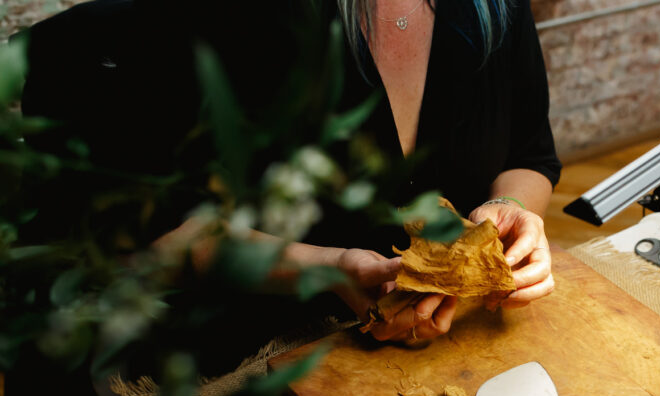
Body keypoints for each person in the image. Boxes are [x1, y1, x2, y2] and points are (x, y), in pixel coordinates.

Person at [22, 0, 561, 346]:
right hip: (257, 357)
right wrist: (327, 269)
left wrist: (510, 217)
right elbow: (155, 242)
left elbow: (529, 154)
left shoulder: (495, 9)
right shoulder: (225, 20)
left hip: (458, 345)